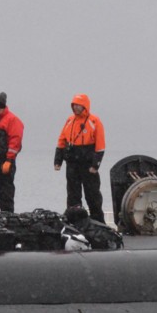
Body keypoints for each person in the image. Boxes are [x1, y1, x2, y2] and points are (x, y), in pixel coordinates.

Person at [54, 93, 107, 223]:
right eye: (74, 105)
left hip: (88, 165)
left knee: (93, 195)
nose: (76, 107)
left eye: (79, 105)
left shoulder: (94, 121)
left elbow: (100, 145)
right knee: (72, 195)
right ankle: (74, 222)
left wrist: (95, 165)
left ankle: (98, 222)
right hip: (72, 164)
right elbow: (62, 140)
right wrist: (58, 160)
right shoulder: (70, 120)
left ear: (85, 106)